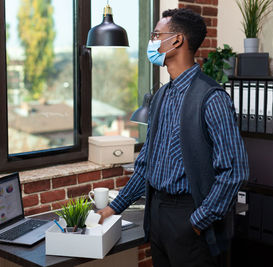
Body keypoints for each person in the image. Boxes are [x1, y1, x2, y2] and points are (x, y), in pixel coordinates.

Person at [97, 8, 249, 267]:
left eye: (156, 34)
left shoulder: (212, 98)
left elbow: (235, 171)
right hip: (157, 213)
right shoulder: (160, 97)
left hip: (188, 216)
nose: (152, 41)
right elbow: (146, 166)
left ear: (177, 40)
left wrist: (198, 222)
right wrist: (113, 208)